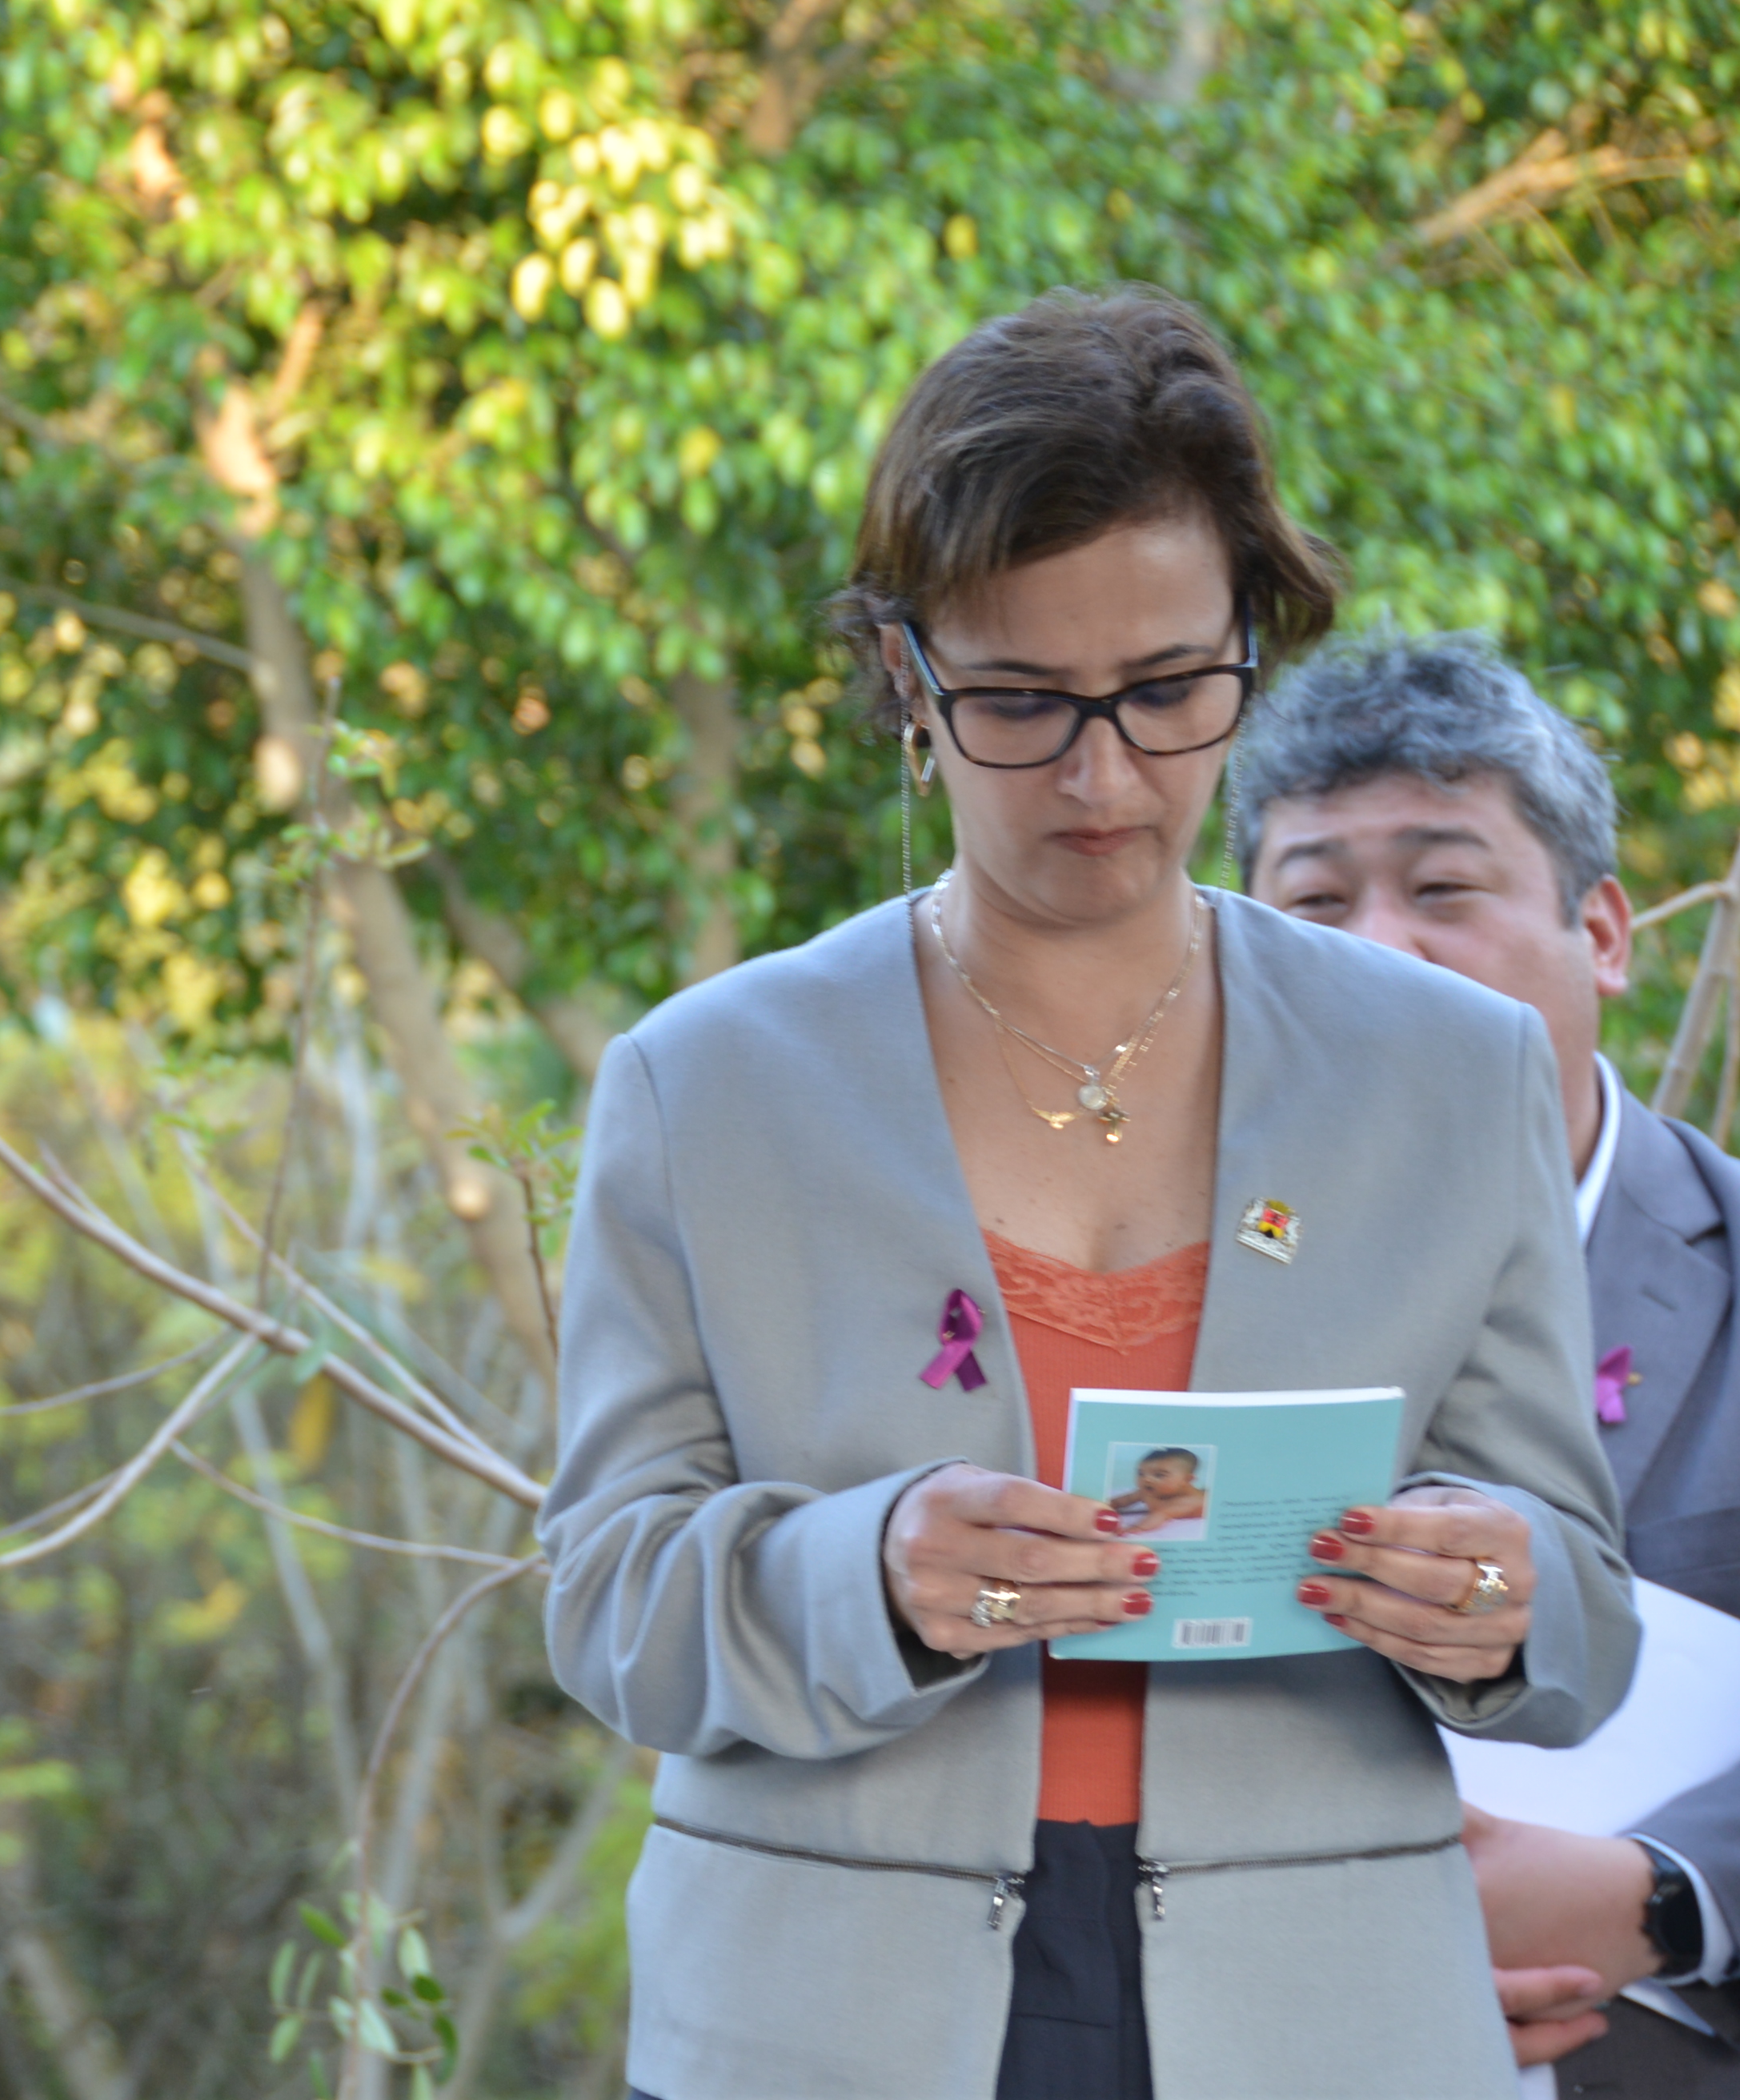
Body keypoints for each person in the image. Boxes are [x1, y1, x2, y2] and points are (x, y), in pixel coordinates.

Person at [539, 290, 1638, 2100]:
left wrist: (1498, 1601)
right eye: (1022, 702)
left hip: (1331, 2018)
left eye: (1168, 691)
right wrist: (867, 1571)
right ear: (908, 677)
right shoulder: (708, 1081)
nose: (1104, 772)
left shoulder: (1455, 1071)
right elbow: (606, 1602)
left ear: (1253, 647)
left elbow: (1584, 1609)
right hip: (822, 2019)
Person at [1245, 628, 1740, 2090]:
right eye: (1315, 903)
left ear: (1605, 933)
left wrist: (1663, 1899)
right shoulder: (1172, 1296)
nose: (1380, 951)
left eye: (1444, 889)